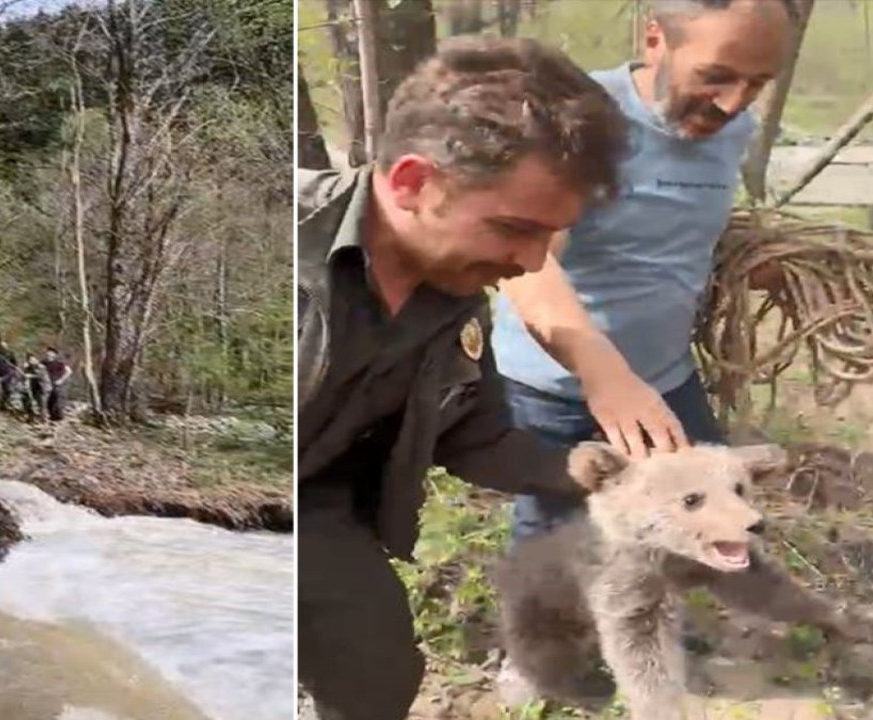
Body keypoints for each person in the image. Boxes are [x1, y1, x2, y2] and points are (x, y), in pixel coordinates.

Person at [296, 36, 630, 720]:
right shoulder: (287, 245)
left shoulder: (454, 297)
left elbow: (474, 437)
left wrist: (583, 469)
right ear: (415, 182)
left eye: (551, 238)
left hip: (320, 511)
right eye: (515, 228)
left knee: (377, 671)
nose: (533, 264)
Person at [492, 0, 797, 545]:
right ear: (655, 38)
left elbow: (670, 224)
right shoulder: (577, 121)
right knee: (556, 547)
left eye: (757, 83)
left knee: (703, 526)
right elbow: (524, 263)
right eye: (716, 77)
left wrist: (758, 266)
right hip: (555, 387)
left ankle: (684, 630)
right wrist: (603, 375)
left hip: (664, 377)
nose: (734, 102)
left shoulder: (733, 128)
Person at [21, 354, 51, 423]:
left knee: (42, 403)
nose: (32, 361)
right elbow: (24, 376)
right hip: (34, 387)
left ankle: (43, 419)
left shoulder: (41, 367)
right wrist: (24, 369)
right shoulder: (28, 367)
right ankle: (31, 417)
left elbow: (40, 375)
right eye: (30, 360)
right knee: (29, 401)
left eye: (33, 359)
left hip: (43, 387)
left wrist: (30, 376)